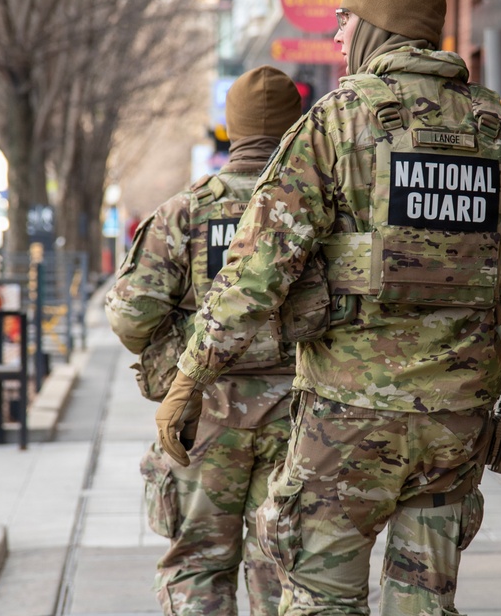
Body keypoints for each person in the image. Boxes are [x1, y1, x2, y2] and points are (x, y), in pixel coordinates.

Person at [153, 0, 501, 615]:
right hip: (456, 425)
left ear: (376, 27)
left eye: (343, 19)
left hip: (346, 421)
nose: (335, 36)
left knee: (322, 599)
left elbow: (255, 271)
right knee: (423, 603)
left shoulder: (338, 121)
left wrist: (191, 376)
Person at [105, 66, 302, 616]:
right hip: (299, 416)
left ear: (229, 127)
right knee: (284, 569)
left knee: (198, 566)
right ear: (297, 126)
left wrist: (183, 341)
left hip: (199, 416)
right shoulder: (315, 209)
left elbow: (130, 318)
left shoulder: (185, 211)